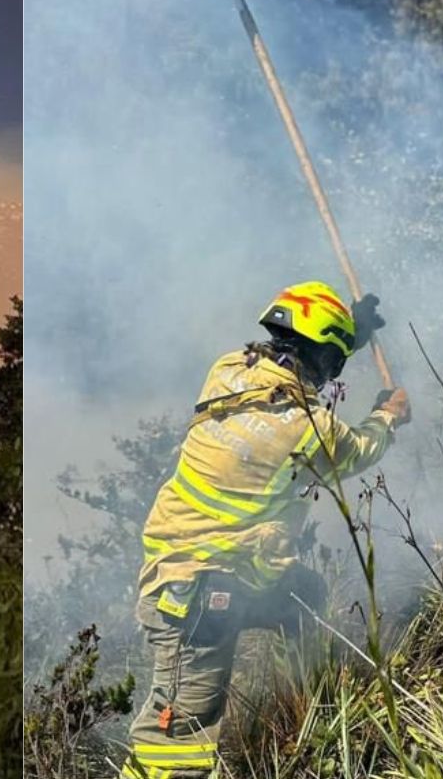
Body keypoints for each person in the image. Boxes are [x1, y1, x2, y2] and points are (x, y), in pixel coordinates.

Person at [123, 281, 409, 779]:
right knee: (175, 740)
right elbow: (358, 450)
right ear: (321, 356)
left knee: (304, 598)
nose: (331, 374)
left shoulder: (227, 371)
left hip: (229, 577)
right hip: (192, 596)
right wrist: (387, 415)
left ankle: (296, 717)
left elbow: (296, 365)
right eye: (332, 360)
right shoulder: (306, 428)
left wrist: (350, 335)